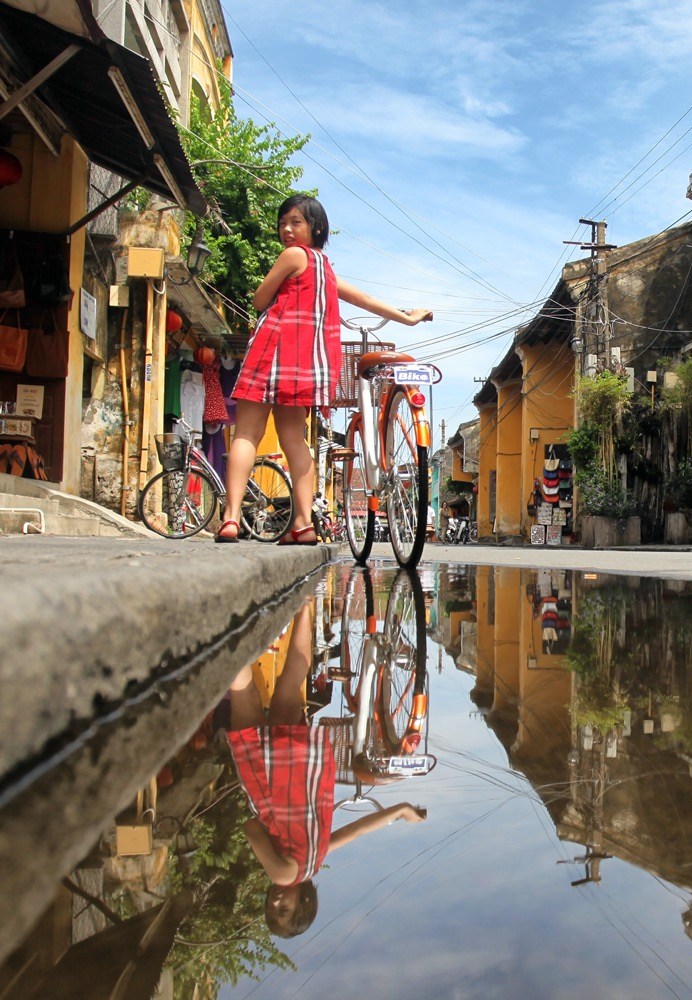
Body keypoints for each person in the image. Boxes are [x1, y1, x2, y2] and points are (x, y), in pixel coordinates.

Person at [217, 194, 432, 543]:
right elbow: (366, 300)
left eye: (295, 222)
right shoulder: (327, 270)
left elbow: (259, 300)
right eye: (283, 222)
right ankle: (303, 523)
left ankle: (229, 519)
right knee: (294, 439)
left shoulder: (292, 256)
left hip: (272, 352)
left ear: (315, 227)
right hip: (306, 364)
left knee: (246, 434)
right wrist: (407, 319)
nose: (287, 229)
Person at [225, 599, 426, 937]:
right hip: (266, 775)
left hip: (303, 763)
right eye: (284, 909)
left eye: (269, 909)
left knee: (291, 681)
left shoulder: (316, 859)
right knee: (242, 691)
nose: (274, 902)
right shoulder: (282, 874)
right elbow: (251, 830)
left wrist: (402, 809)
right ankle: (233, 625)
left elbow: (360, 830)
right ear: (303, 901)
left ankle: (304, 605)